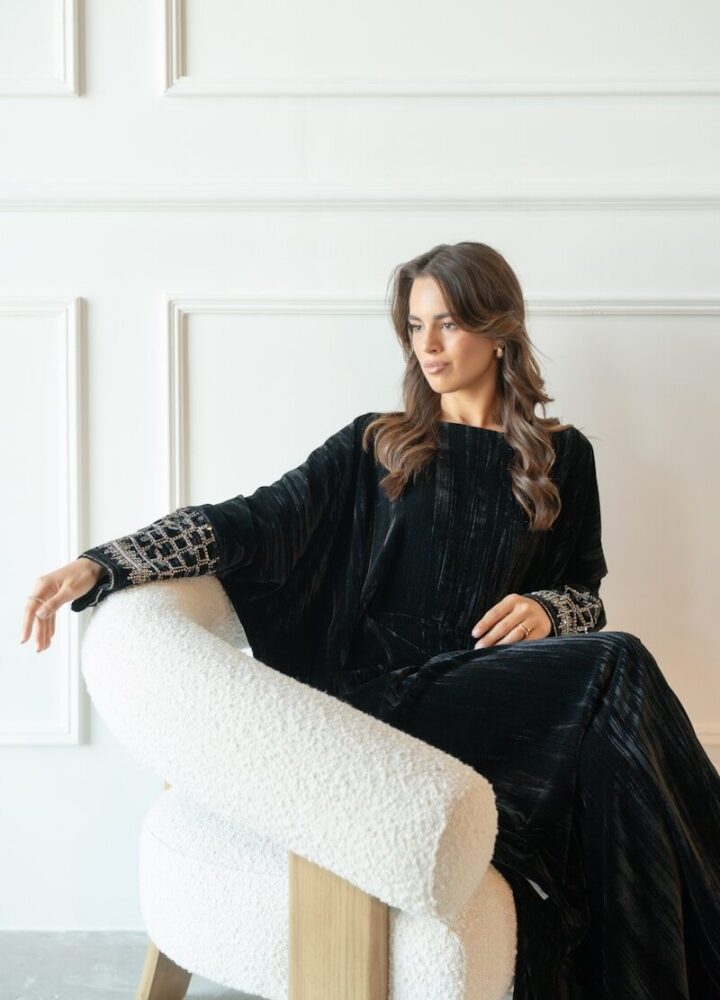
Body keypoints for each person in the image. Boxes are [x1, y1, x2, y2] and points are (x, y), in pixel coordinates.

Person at [21, 241, 720, 999]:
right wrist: (108, 561)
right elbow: (250, 522)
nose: (426, 345)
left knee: (615, 700)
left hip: (493, 702)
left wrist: (551, 610)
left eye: (447, 323)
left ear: (498, 329)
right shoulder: (377, 443)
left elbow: (587, 592)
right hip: (386, 702)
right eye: (415, 325)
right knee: (618, 662)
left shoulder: (562, 457)